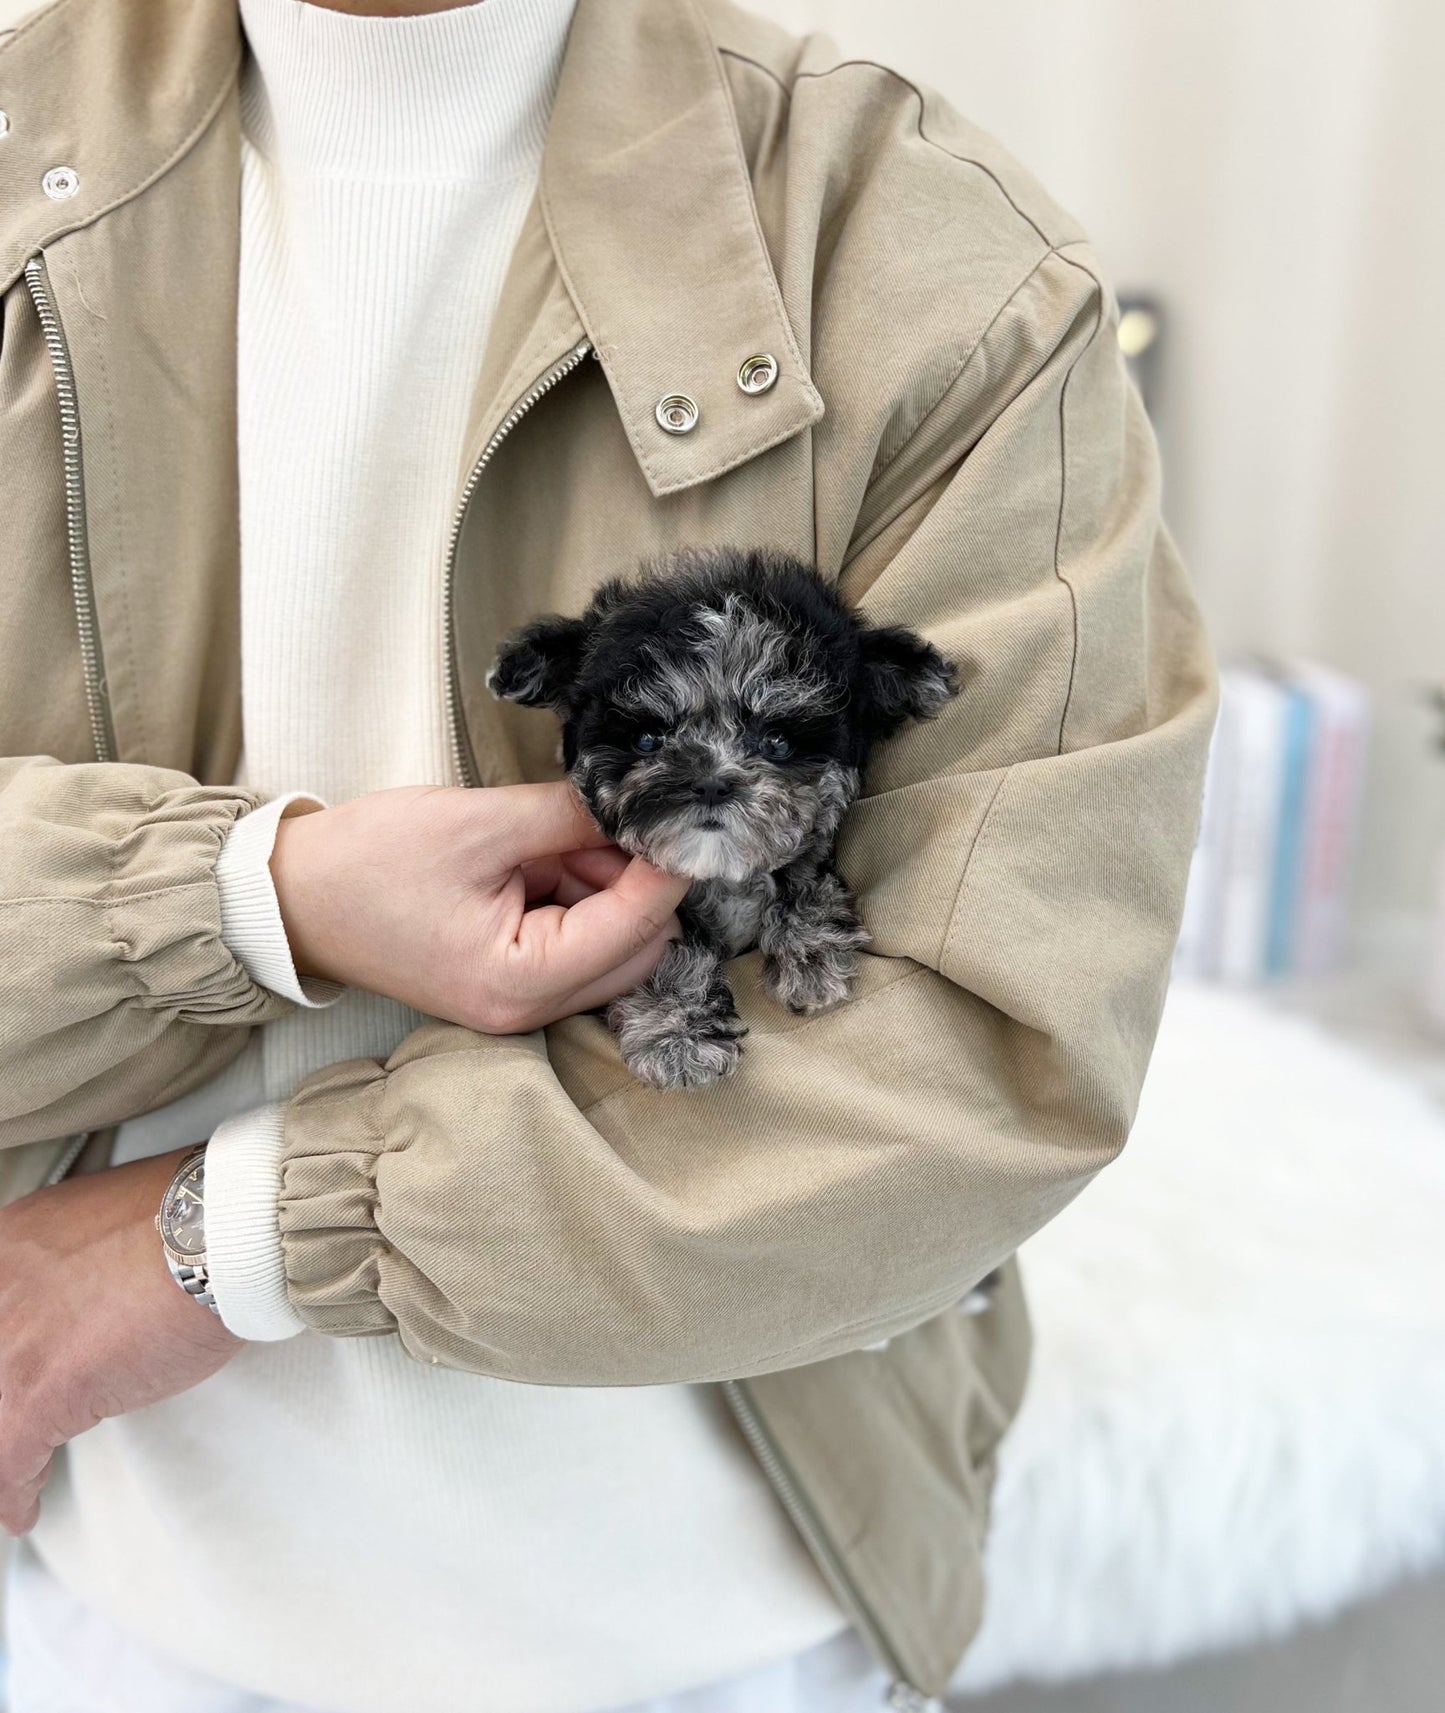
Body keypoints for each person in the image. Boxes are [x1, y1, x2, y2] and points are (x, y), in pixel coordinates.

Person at [0, 0, 1216, 1708]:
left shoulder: (939, 264)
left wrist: (218, 1239)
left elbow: (989, 1055)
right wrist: (251, 895)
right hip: (80, 1587)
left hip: (706, 1639)